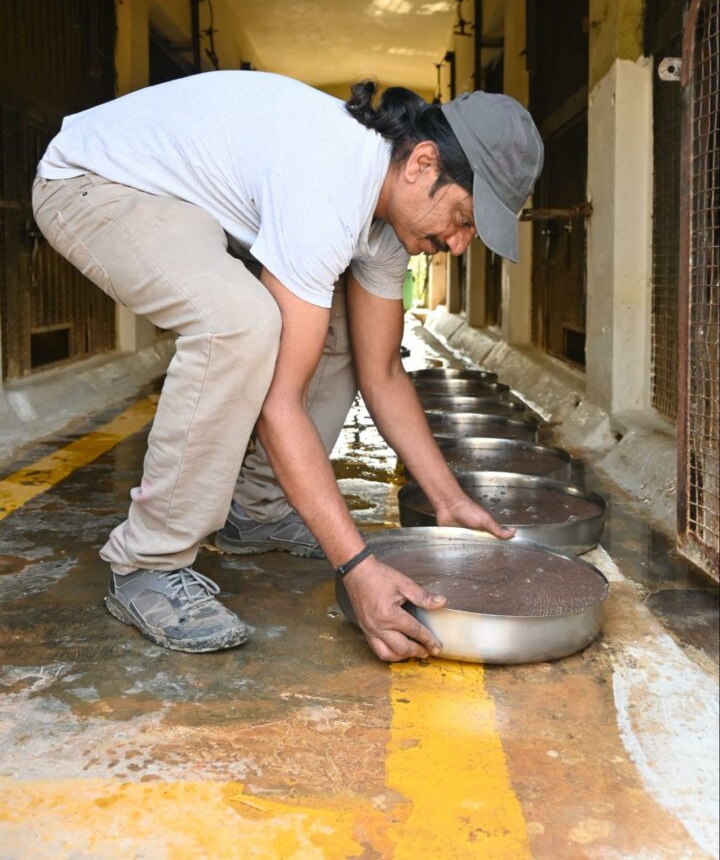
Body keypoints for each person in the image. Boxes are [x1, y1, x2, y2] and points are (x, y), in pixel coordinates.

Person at [32, 71, 543, 662]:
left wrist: (446, 495)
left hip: (183, 203)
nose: (458, 245)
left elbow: (381, 372)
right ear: (423, 164)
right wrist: (356, 565)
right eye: (462, 218)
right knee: (239, 323)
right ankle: (149, 563)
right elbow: (281, 405)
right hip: (94, 185)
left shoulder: (387, 223)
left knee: (344, 333)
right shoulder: (328, 182)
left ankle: (261, 512)